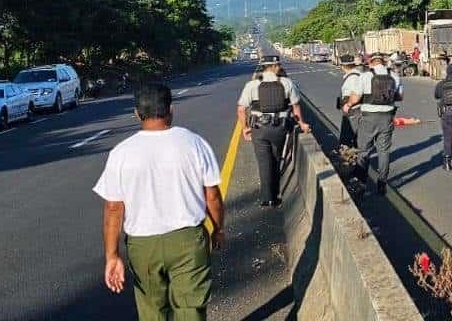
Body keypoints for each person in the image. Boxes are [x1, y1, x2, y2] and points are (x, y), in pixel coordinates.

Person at [93, 83, 225, 321]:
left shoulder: (121, 153)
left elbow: (113, 208)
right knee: (190, 308)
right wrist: (217, 228)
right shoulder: (194, 144)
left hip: (143, 246)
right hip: (188, 241)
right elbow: (212, 196)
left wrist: (112, 256)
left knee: (152, 310)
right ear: (171, 110)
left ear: (137, 113)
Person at [236, 62, 310, 207]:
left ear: (263, 68)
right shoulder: (287, 83)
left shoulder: (251, 85)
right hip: (279, 128)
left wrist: (245, 128)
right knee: (276, 160)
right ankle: (275, 196)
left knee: (263, 162)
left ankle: (266, 198)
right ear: (275, 67)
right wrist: (302, 124)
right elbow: (295, 106)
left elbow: (241, 109)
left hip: (258, 128)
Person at [344, 52, 403, 194]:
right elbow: (400, 97)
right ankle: (382, 182)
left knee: (364, 151)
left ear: (371, 62)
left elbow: (356, 97)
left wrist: (348, 104)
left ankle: (361, 183)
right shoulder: (394, 76)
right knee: (383, 151)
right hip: (387, 117)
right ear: (383, 62)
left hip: (369, 117)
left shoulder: (365, 76)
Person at [336, 54, 364, 148]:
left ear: (343, 66)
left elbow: (355, 94)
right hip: (355, 110)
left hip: (353, 110)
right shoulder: (357, 74)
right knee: (355, 138)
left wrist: (348, 105)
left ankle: (350, 159)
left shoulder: (353, 78)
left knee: (347, 139)